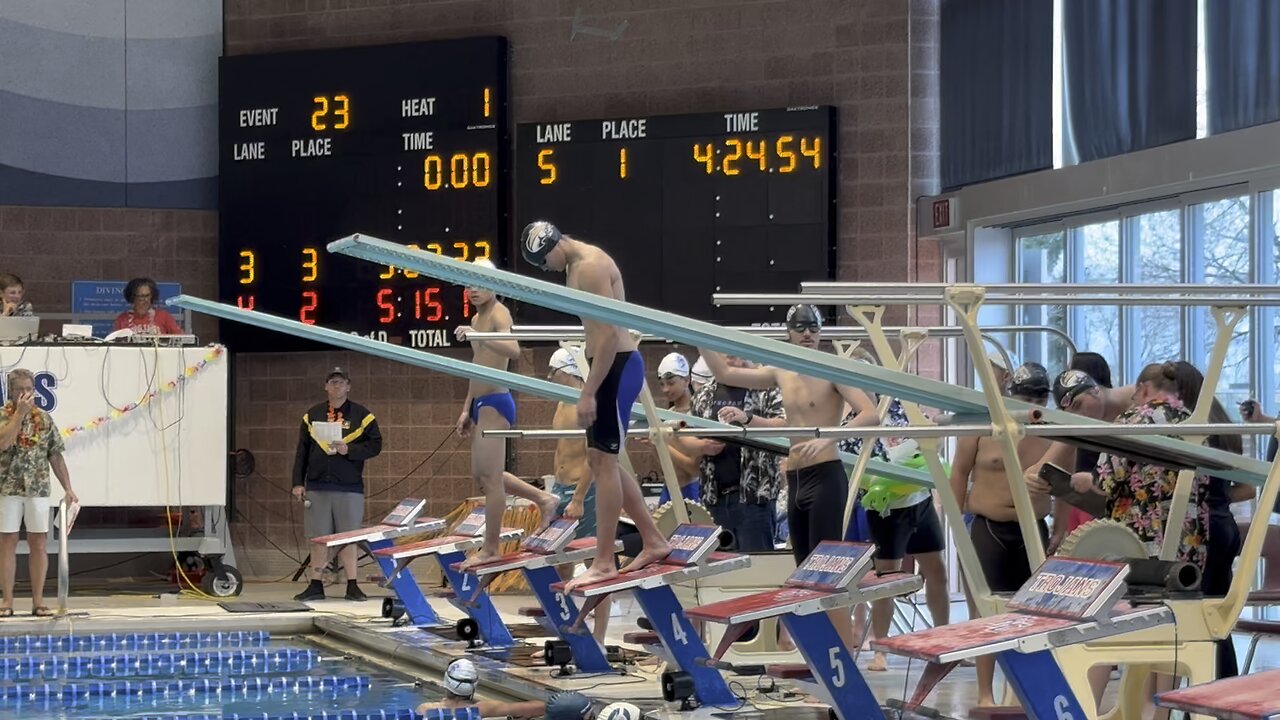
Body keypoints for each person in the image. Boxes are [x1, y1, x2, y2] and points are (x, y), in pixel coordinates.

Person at [699, 303, 879, 653]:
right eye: (800, 327)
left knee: (829, 576)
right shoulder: (781, 370)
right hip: (795, 480)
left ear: (821, 332)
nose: (808, 333)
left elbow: (870, 413)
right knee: (804, 576)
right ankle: (816, 659)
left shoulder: (832, 369)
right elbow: (724, 373)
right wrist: (694, 330)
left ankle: (841, 660)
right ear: (789, 332)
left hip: (826, 476)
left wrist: (829, 437)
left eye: (813, 327)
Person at [520, 220, 670, 588]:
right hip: (610, 368)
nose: (545, 269)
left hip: (616, 368)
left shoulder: (589, 267)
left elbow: (605, 337)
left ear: (552, 245)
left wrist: (588, 391)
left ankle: (604, 560)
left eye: (543, 262)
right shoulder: (576, 264)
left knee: (603, 461)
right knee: (602, 460)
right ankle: (652, 539)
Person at [950, 362, 1054, 704]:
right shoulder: (982, 425)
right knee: (985, 613)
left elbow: (1064, 484)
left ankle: (1020, 693)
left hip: (1034, 530)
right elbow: (959, 472)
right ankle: (984, 693)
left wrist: (1063, 529)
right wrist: (955, 523)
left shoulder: (1052, 428)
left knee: (1034, 615)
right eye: (1024, 397)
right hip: (988, 529)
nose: (1029, 404)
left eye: (1037, 398)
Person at [843, 350, 950, 673]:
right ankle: (881, 647)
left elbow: (931, 439)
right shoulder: (854, 423)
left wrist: (929, 438)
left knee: (938, 572)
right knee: (885, 582)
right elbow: (860, 473)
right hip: (886, 509)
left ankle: (944, 638)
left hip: (918, 500)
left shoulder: (901, 407)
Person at [454, 259, 559, 569]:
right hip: (480, 403)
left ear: (494, 285)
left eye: (479, 283)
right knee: (484, 476)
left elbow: (513, 350)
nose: (473, 289)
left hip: (497, 403)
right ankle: (543, 499)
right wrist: (465, 408)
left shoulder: (500, 313)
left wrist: (477, 336)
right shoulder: (477, 317)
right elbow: (477, 368)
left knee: (490, 479)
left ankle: (492, 548)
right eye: (469, 283)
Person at [1172, 360, 1253, 679]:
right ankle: (1223, 691)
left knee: (1199, 618)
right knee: (1217, 620)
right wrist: (1216, 499)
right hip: (1224, 527)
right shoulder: (1221, 422)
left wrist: (1201, 502)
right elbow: (1246, 488)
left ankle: (1205, 692)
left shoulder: (1191, 429)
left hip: (1200, 533)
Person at [292, 367, 382, 601]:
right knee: (318, 538)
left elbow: (375, 446)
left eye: (341, 382)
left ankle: (352, 585)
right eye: (332, 382)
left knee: (349, 537)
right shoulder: (312, 415)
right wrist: (297, 483)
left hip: (349, 487)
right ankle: (315, 584)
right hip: (317, 486)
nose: (337, 386)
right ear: (326, 387)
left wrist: (349, 449)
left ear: (348, 386)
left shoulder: (363, 415)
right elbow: (301, 452)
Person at [687, 354, 785, 552]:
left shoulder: (767, 390)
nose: (731, 355)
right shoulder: (703, 395)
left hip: (754, 498)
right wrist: (700, 446)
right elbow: (685, 433)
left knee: (757, 566)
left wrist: (748, 419)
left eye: (735, 350)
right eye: (724, 351)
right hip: (713, 498)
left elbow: (784, 426)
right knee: (718, 569)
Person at [0, 369, 78, 617]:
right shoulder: (3, 416)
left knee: (39, 543)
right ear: (11, 392)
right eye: (20, 389)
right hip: (8, 487)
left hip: (38, 488)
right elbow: (4, 443)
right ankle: (7, 601)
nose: (25, 394)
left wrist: (68, 487)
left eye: (28, 389)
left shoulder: (43, 419)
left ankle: (38, 601)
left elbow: (55, 455)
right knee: (7, 543)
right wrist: (19, 417)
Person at [546, 347, 611, 642]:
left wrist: (578, 497)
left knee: (597, 562)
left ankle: (598, 637)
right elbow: (561, 449)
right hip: (561, 489)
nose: (549, 377)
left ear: (569, 371)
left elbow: (592, 456)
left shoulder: (586, 404)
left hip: (582, 491)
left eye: (553, 372)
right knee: (561, 561)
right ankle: (571, 625)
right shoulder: (561, 403)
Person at [416, 658, 556, 718]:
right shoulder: (484, 708)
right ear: (474, 684)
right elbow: (540, 707)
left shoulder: (426, 709)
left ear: (446, 681)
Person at [651, 352, 703, 505]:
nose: (665, 389)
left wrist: (661, 444)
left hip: (691, 490)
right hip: (668, 490)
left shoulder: (696, 415)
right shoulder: (668, 415)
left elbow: (694, 469)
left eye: (671, 383)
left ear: (686, 380)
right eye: (662, 384)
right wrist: (653, 445)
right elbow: (663, 462)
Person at [113, 277, 182, 335]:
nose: (146, 300)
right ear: (133, 297)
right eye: (142, 296)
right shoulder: (122, 319)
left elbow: (181, 337)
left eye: (148, 295)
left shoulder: (164, 316)